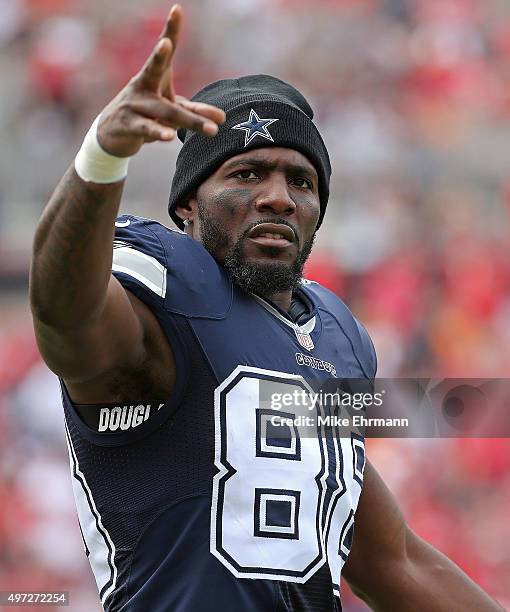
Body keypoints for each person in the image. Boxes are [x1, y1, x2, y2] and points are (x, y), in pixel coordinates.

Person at [29, 5, 503, 612]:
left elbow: (395, 559)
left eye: (301, 182)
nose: (278, 197)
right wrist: (102, 157)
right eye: (247, 173)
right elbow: (64, 315)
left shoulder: (332, 336)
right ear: (188, 207)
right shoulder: (163, 304)